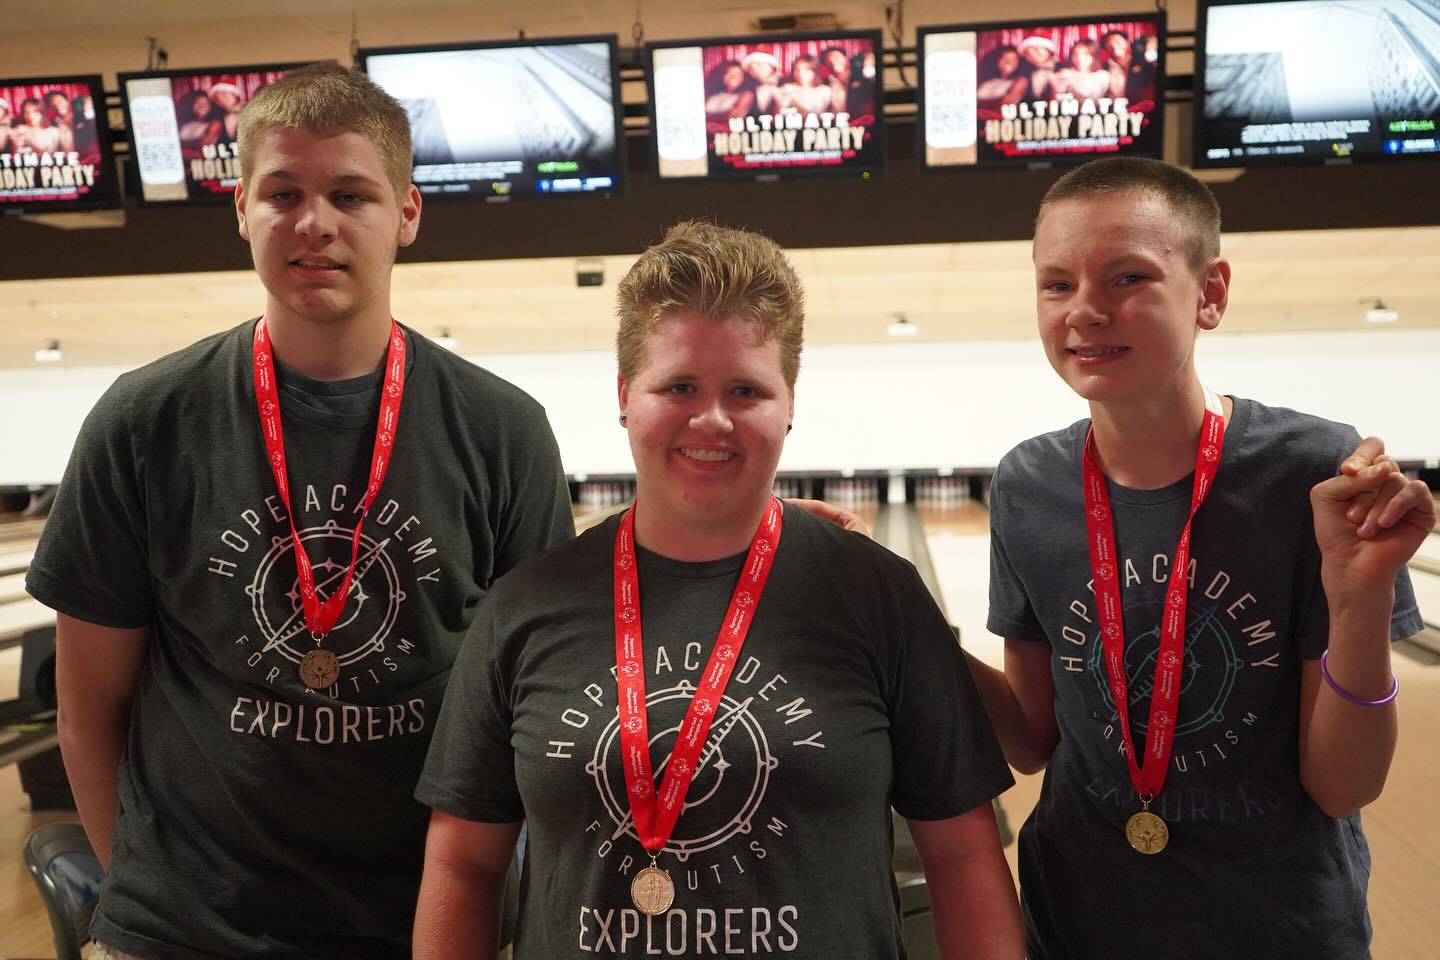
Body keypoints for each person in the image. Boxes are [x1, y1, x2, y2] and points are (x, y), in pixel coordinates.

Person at [25, 62, 573, 960]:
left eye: (350, 194)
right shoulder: (143, 420)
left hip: (425, 930)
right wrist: (149, 905)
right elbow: (89, 709)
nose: (313, 221)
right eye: (283, 192)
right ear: (241, 208)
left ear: (407, 213)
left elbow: (538, 709)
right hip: (181, 937)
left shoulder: (502, 430)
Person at [412, 221, 1023, 960]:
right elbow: (463, 864)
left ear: (788, 401)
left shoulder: (881, 596)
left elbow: (963, 859)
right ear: (624, 395)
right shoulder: (524, 606)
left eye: (745, 389)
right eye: (679, 386)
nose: (711, 418)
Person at [969, 157, 1433, 958]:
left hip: (1277, 928)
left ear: (1210, 293)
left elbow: (1345, 786)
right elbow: (1030, 741)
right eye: (1056, 284)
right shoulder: (1028, 482)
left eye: (1126, 277)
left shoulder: (1314, 470)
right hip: (1077, 922)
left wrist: (1359, 596)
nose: (1084, 310)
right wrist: (907, 616)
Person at [976, 45, 1029, 112]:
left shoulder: (1021, 80)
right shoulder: (987, 80)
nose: (1009, 62)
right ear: (997, 60)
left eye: (1014, 59)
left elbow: (1005, 104)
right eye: (1005, 58)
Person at [703, 60, 753, 126]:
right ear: (723, 75)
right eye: (729, 72)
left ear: (744, 77)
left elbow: (731, 118)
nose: (733, 76)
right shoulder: (712, 94)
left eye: (738, 73)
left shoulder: (746, 95)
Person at [741, 50, 781, 116]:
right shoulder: (748, 88)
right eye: (751, 68)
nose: (756, 70)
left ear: (772, 66)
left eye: (759, 65)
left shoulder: (786, 83)